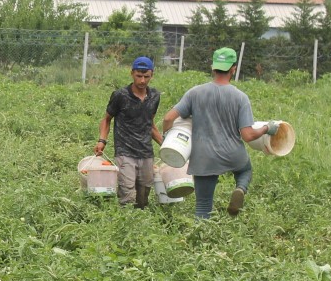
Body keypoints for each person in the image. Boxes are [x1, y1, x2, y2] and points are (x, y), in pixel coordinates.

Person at [161, 47, 277, 219]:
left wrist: (167, 137)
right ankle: (240, 189)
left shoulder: (194, 93)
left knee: (203, 205)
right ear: (233, 69)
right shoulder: (240, 97)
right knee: (245, 171)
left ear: (213, 68)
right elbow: (248, 135)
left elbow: (168, 118)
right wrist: (267, 128)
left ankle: (201, 233)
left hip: (204, 157)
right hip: (233, 154)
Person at [95, 56, 163, 208]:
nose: (142, 81)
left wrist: (166, 146)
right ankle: (125, 219)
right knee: (127, 195)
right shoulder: (120, 95)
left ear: (152, 75)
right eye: (139, 76)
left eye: (146, 77)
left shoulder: (154, 97)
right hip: (125, 151)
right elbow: (106, 119)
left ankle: (139, 220)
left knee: (143, 197)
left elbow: (150, 124)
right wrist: (102, 140)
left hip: (146, 152)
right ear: (132, 73)